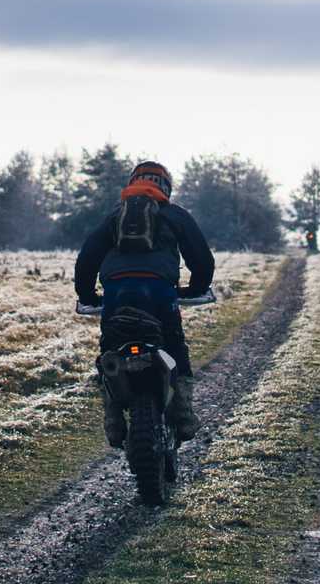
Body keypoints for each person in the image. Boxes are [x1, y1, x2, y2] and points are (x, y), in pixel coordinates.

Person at [74, 161, 215, 448]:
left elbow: (86, 259)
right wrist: (195, 289)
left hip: (116, 292)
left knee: (110, 349)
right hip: (159, 291)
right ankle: (184, 414)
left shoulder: (115, 216)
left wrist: (88, 296)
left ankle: (113, 418)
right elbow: (201, 258)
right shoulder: (174, 214)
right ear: (166, 187)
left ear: (132, 183)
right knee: (174, 346)